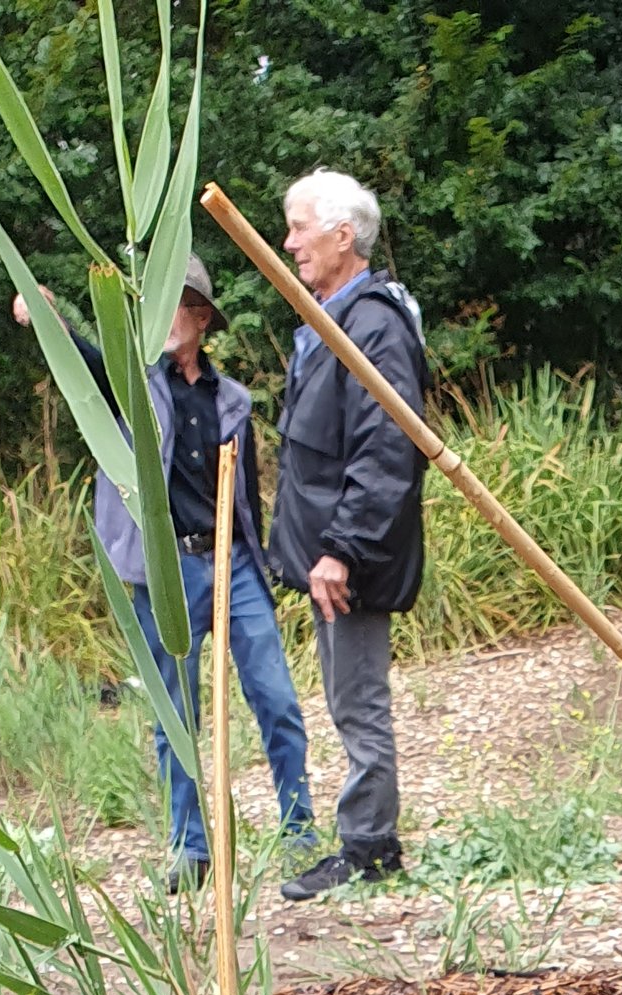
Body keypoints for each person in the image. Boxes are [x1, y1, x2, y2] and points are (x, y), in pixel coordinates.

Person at [14, 259, 313, 888]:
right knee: (175, 714)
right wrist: (49, 317)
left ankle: (299, 833)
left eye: (175, 305)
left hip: (232, 561)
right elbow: (88, 362)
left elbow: (252, 500)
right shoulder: (133, 385)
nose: (161, 317)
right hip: (164, 568)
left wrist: (268, 565)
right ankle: (191, 849)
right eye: (153, 305)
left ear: (200, 319)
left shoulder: (231, 399)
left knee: (277, 700)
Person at [269, 168, 427, 900]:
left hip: (350, 557)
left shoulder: (373, 325)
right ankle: (365, 840)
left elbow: (386, 448)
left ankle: (369, 848)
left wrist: (341, 550)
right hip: (331, 553)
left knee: (359, 701)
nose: (289, 241)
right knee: (344, 697)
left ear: (342, 235)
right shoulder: (329, 318)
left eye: (300, 227)